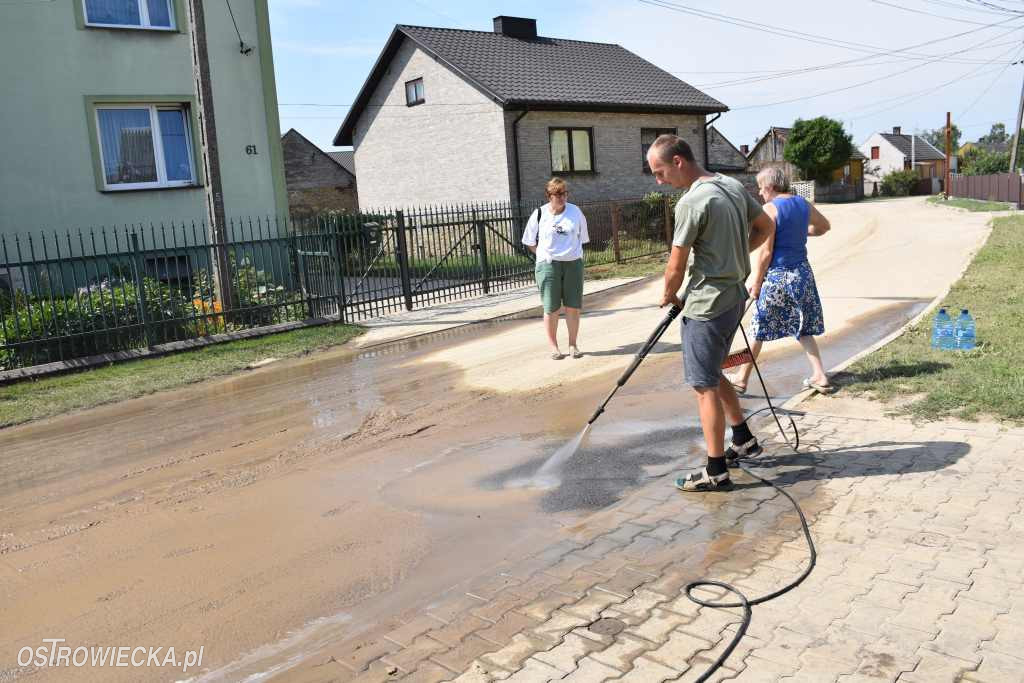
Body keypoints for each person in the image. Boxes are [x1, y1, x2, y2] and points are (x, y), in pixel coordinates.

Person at [646, 135, 775, 493]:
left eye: (660, 173)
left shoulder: (692, 202)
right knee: (712, 371)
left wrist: (669, 295)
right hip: (733, 296)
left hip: (706, 306)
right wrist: (735, 255)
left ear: (678, 162)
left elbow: (676, 263)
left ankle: (715, 471)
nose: (659, 181)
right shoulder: (731, 185)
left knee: (703, 386)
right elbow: (766, 228)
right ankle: (744, 439)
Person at [725, 167, 833, 395]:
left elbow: (766, 252)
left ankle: (741, 379)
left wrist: (756, 280)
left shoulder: (770, 209)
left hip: (778, 277)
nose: (760, 193)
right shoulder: (802, 204)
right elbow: (824, 227)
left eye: (761, 188)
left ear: (771, 187)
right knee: (803, 327)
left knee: (758, 328)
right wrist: (801, 233)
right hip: (802, 274)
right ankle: (820, 375)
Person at [522, 178, 590, 360]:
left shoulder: (575, 212)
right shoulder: (539, 214)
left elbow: (582, 239)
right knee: (551, 307)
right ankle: (554, 346)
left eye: (564, 193)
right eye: (557, 194)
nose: (562, 197)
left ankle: (573, 344)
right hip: (548, 265)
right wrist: (543, 255)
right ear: (549, 196)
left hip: (573, 264)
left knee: (573, 307)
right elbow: (529, 241)